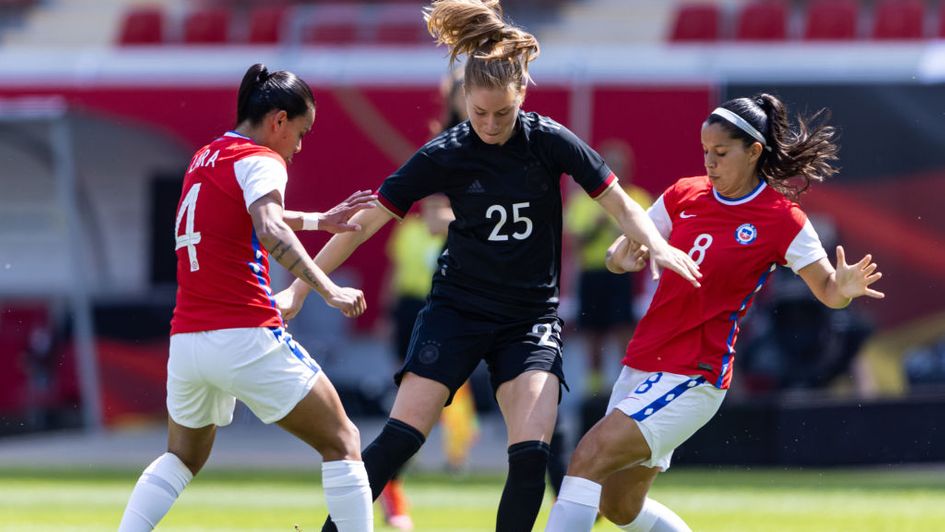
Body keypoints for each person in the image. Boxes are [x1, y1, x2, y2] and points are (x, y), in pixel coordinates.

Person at [275, 2, 701, 530]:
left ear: (521, 95)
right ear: (465, 101)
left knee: (531, 457)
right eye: (480, 114)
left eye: (503, 113)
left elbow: (618, 202)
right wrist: (301, 288)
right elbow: (363, 224)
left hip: (528, 320)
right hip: (457, 311)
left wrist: (656, 243)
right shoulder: (446, 153)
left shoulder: (549, 140)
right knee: (399, 439)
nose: (491, 125)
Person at [545, 94, 885, 532]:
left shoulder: (782, 218)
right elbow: (621, 249)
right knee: (619, 505)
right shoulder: (684, 193)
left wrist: (845, 288)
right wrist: (618, 259)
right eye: (705, 150)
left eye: (721, 152)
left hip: (693, 373)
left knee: (587, 457)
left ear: (754, 151)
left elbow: (829, 291)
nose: (709, 161)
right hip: (643, 360)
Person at [117, 64, 377, 532]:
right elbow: (269, 226)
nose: (299, 147)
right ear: (279, 121)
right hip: (244, 334)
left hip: (188, 342)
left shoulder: (206, 156)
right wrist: (328, 288)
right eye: (301, 133)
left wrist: (318, 220)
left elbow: (244, 212)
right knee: (343, 440)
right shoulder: (262, 159)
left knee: (181, 456)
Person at [564, 139, 652, 397]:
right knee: (593, 332)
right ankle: (595, 386)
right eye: (610, 165)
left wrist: (621, 229)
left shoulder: (638, 198)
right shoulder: (583, 201)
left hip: (623, 277)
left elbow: (648, 239)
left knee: (623, 328)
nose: (616, 171)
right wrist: (597, 226)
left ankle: (628, 383)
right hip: (592, 274)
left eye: (620, 166)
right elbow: (575, 243)